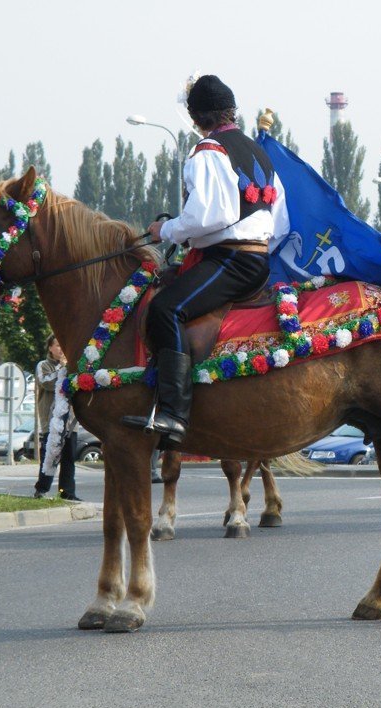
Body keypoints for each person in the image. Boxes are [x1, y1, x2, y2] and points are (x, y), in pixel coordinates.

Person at [122, 73, 286, 447]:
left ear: (197, 118)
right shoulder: (259, 152)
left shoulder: (209, 150)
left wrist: (166, 231)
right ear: (231, 111)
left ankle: (174, 414)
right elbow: (280, 222)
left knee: (165, 308)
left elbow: (206, 217)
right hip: (256, 257)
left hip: (230, 260)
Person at [34, 334, 80, 499]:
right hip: (51, 421)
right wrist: (62, 369)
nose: (61, 350)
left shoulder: (72, 366)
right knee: (50, 455)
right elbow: (46, 382)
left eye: (63, 346)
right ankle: (42, 489)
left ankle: (67, 492)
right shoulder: (44, 365)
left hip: (69, 421)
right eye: (58, 345)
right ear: (50, 348)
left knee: (69, 459)